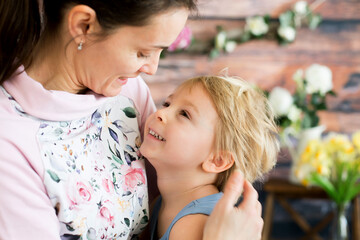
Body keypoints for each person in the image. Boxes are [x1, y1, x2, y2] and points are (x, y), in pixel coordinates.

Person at [0, 0, 266, 239]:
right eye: (142, 52)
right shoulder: (10, 144)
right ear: (84, 25)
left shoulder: (127, 91)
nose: (152, 69)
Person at [140, 76, 280, 240]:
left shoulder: (195, 224)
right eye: (167, 104)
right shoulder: (163, 201)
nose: (160, 113)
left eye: (184, 114)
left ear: (217, 160)